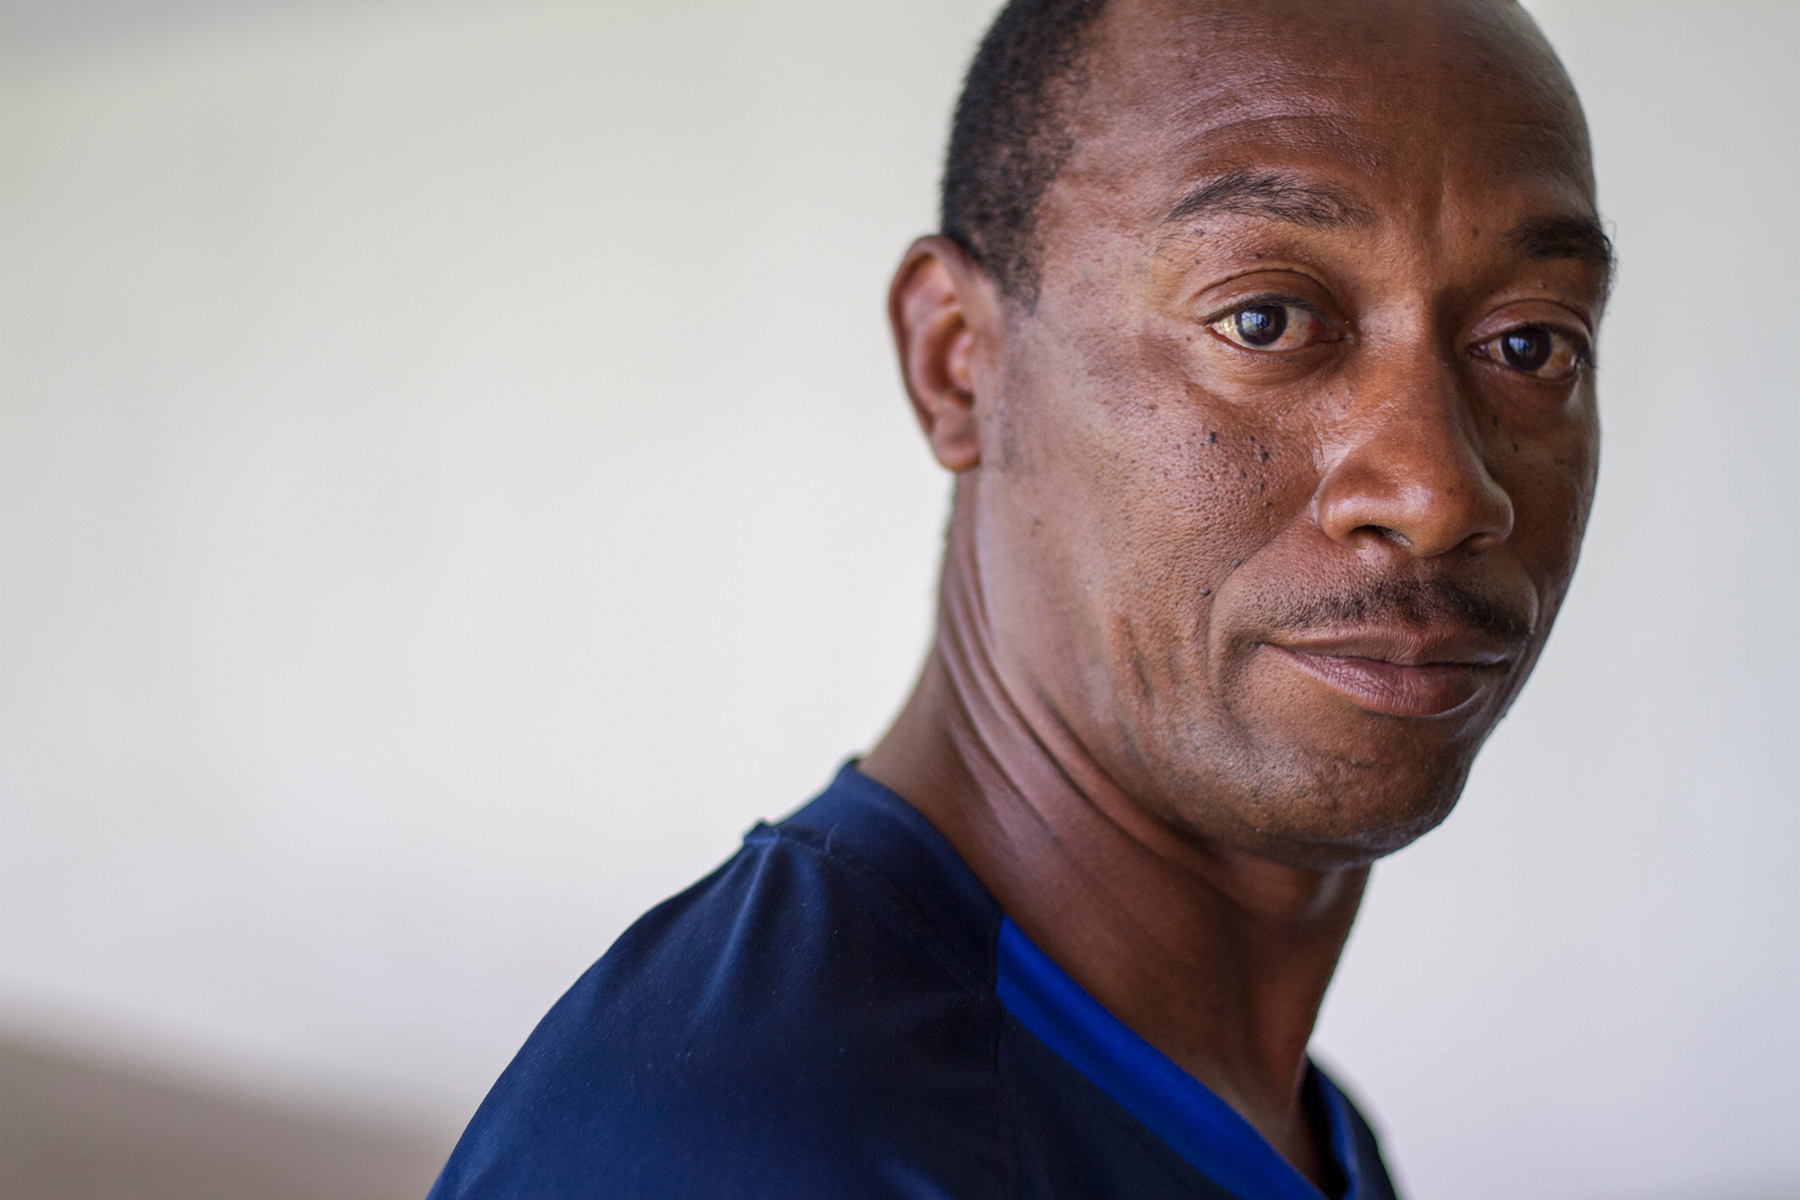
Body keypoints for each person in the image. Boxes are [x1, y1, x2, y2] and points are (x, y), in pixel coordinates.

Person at [427, 0, 1613, 1195]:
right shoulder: (745, 1150)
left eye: (1531, 345)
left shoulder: (1298, 1131)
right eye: (1265, 319)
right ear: (957, 359)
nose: (1436, 490)